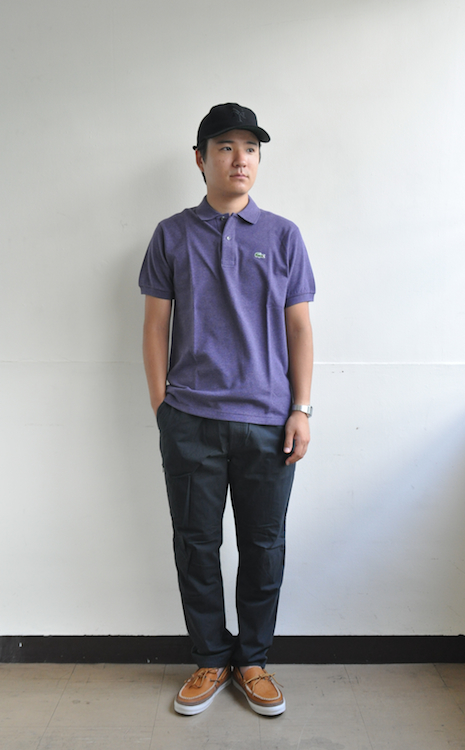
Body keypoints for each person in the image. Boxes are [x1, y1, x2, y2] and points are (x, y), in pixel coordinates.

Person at [139, 103, 315, 716]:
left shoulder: (284, 236)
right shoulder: (171, 234)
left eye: (251, 148)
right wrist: (164, 409)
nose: (240, 159)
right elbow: (155, 327)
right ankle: (211, 658)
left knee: (264, 548)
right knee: (196, 545)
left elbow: (300, 329)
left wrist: (302, 408)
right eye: (225, 147)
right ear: (200, 158)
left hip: (269, 423)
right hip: (190, 421)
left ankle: (253, 661)